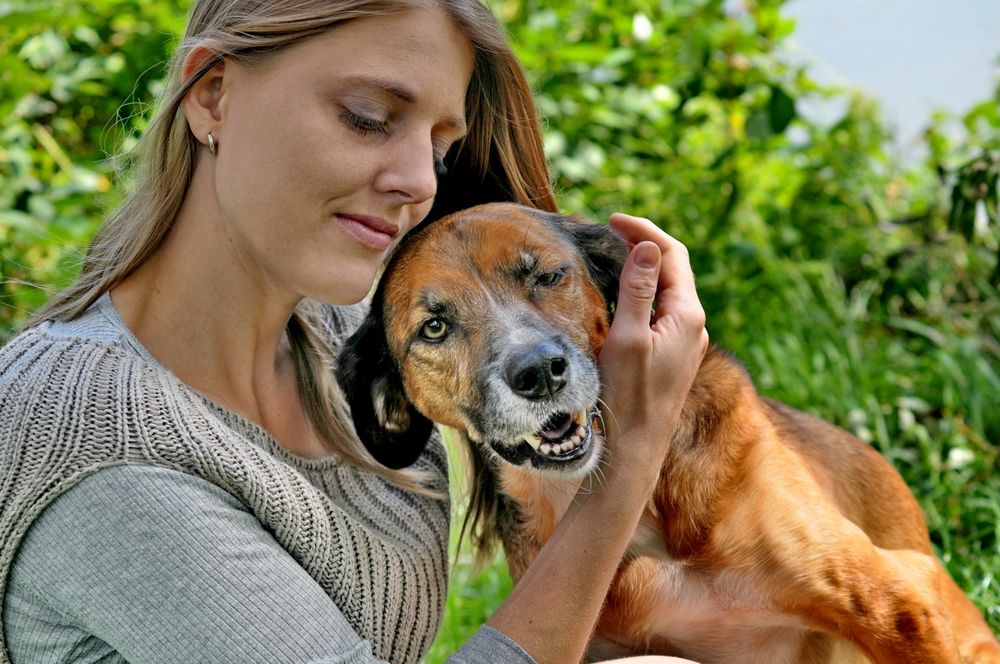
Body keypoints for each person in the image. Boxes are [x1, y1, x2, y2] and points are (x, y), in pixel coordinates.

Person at [0, 0, 708, 662]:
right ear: (213, 95)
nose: (418, 182)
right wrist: (632, 451)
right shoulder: (94, 438)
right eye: (368, 118)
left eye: (438, 146)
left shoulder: (340, 333)